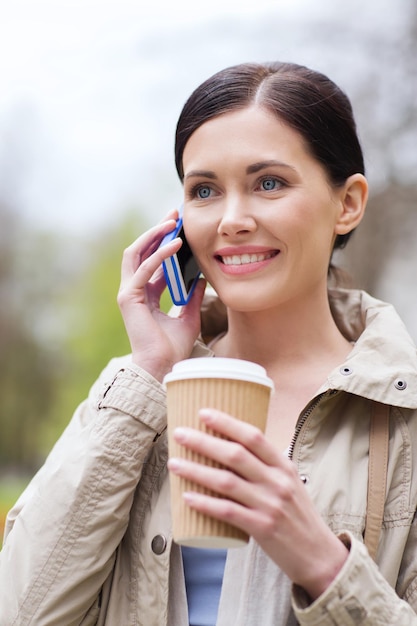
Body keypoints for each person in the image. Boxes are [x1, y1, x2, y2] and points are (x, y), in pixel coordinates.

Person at [1, 61, 417, 626]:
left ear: (348, 204)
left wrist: (324, 566)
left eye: (269, 183)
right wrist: (148, 375)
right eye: (204, 190)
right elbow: (21, 612)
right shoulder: (141, 397)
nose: (232, 219)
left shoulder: (404, 414)